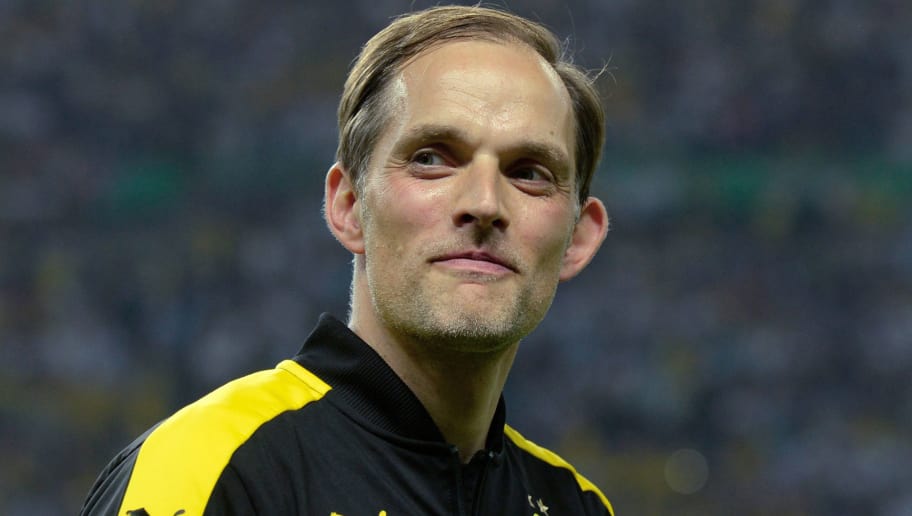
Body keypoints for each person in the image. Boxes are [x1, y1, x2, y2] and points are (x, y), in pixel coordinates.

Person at [81, 5, 613, 515]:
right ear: (349, 207)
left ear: (578, 238)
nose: (484, 203)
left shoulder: (580, 505)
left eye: (529, 173)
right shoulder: (210, 469)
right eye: (431, 159)